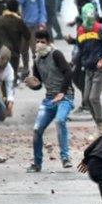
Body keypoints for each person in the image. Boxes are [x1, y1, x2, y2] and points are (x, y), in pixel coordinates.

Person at [26, 30, 75, 172]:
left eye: (42, 41)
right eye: (37, 41)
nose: (39, 44)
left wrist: (62, 92)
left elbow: (68, 72)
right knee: (37, 130)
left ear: (48, 42)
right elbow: (39, 83)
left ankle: (65, 157)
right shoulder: (36, 60)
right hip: (49, 99)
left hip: (65, 97)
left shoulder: (56, 54)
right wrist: (32, 84)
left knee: (60, 120)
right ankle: (37, 163)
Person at [71, 3, 102, 134]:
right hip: (88, 69)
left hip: (100, 68)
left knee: (93, 98)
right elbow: (79, 49)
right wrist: (73, 61)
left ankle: (101, 124)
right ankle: (100, 125)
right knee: (86, 100)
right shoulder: (80, 30)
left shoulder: (100, 28)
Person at [17, 0, 46, 77]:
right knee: (23, 49)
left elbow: (42, 7)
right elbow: (20, 1)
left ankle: (37, 70)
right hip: (24, 25)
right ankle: (25, 69)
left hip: (35, 25)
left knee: (35, 50)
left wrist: (42, 22)